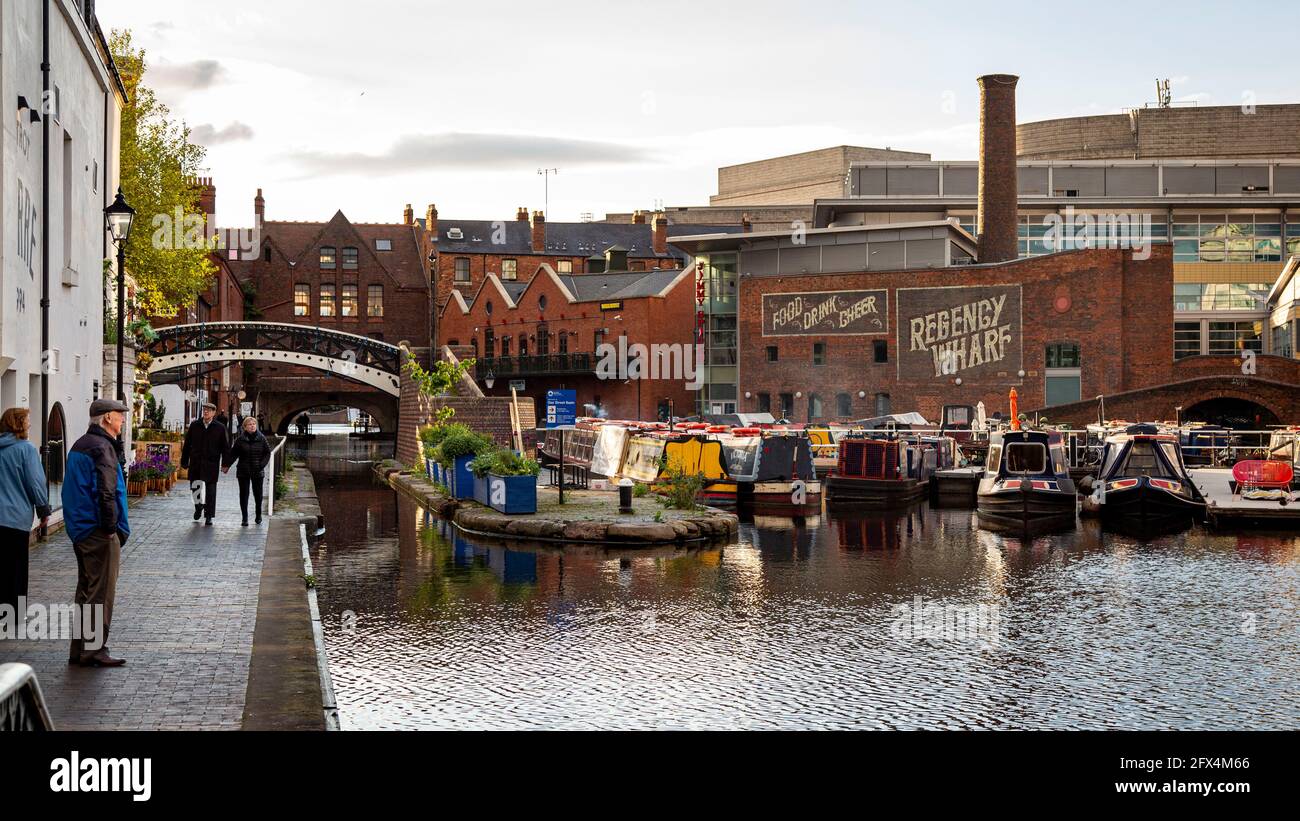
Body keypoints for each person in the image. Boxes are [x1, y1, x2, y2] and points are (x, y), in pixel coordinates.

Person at [62, 398, 130, 667]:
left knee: (87, 590)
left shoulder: (84, 444)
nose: (123, 419)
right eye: (119, 415)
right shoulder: (102, 448)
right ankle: (93, 649)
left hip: (81, 527)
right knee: (100, 592)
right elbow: (106, 491)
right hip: (96, 530)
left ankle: (80, 649)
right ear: (106, 419)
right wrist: (110, 528)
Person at [0, 408, 52, 618]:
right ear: (19, 424)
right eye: (28, 420)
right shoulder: (25, 449)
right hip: (14, 518)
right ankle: (12, 613)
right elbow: (35, 483)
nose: (30, 424)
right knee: (16, 568)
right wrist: (43, 509)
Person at [181, 402, 230, 525]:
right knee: (195, 487)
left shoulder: (219, 427)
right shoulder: (195, 425)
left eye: (209, 410)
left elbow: (225, 447)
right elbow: (187, 444)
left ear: (214, 412)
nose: (206, 412)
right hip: (196, 461)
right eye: (204, 410)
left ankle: (209, 515)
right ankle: (198, 507)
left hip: (211, 462)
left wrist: (225, 463)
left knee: (211, 490)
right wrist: (184, 460)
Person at [223, 416, 271, 526]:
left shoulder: (262, 438)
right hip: (243, 470)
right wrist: (226, 465)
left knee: (258, 495)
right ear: (245, 427)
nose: (252, 426)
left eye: (254, 424)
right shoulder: (240, 440)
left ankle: (258, 515)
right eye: (249, 424)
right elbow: (234, 454)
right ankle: (244, 518)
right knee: (244, 494)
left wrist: (262, 465)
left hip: (257, 470)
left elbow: (267, 453)